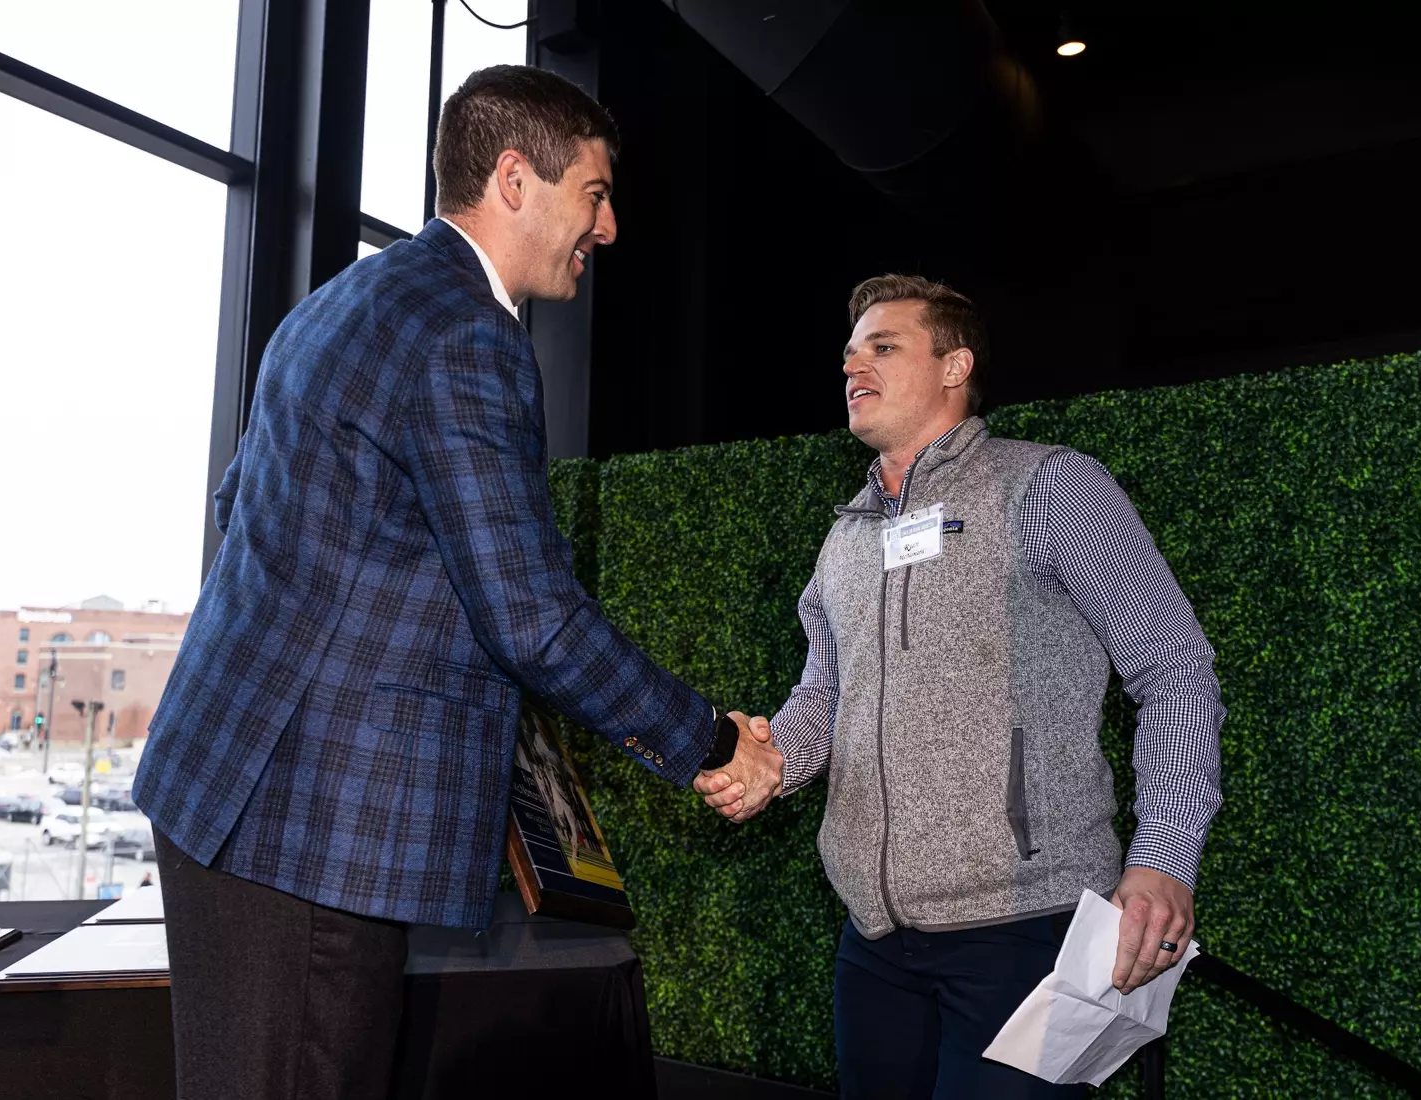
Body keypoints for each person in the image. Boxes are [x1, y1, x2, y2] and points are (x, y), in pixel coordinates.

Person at [132, 65, 779, 1100]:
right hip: (313, 830)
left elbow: (236, 507)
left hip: (227, 792)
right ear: (515, 178)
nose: (606, 229)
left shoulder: (345, 299)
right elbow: (532, 618)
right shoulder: (469, 335)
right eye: (596, 194)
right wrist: (706, 737)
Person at [696, 275, 1225, 1098]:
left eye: (883, 346)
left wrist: (1164, 855)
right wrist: (770, 763)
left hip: (1023, 933)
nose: (853, 367)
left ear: (955, 365)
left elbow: (1176, 670)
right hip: (873, 942)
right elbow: (824, 697)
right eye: (847, 354)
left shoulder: (1052, 488)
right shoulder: (843, 538)